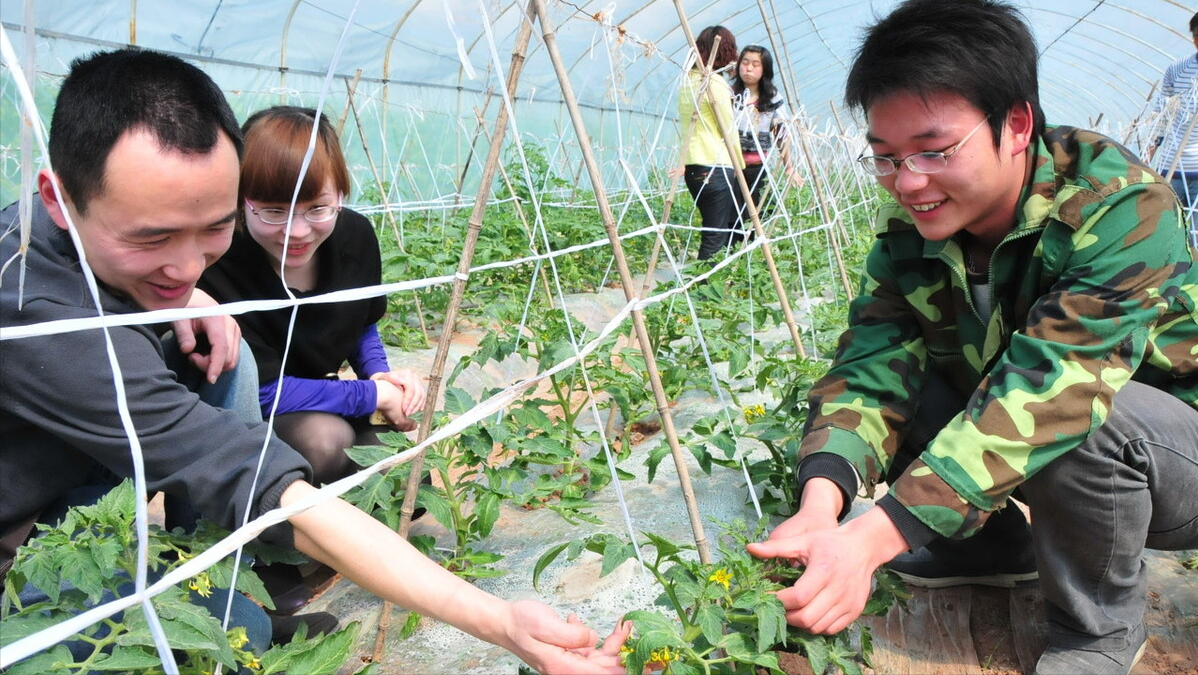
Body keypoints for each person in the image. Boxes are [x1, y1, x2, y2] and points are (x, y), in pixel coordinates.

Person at [0, 48, 629, 674]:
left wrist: (195, 298)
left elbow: (355, 331)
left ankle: (224, 586)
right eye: (151, 238)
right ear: (58, 198)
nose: (189, 266)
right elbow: (243, 471)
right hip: (19, 545)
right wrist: (500, 622)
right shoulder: (43, 315)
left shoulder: (60, 235)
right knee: (204, 634)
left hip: (69, 476)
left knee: (227, 358)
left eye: (213, 229)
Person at [745, 2, 1198, 675]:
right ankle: (985, 551)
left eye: (934, 150)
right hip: (1061, 446)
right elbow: (870, 367)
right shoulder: (913, 233)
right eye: (887, 157)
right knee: (914, 378)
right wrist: (823, 504)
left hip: (1167, 461)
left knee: (1085, 415)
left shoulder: (1119, 205)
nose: (909, 182)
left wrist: (872, 536)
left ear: (1015, 125)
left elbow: (1055, 386)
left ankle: (1096, 626)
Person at [199, 106, 426, 486]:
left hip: (324, 392)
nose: (297, 231)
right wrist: (373, 395)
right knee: (326, 443)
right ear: (242, 201)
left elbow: (362, 322)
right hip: (252, 410)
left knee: (399, 474)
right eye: (273, 211)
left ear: (340, 193)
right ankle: (279, 528)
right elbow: (262, 391)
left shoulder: (354, 237)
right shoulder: (220, 262)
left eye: (318, 208)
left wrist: (379, 375)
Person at [678, 25, 744, 260]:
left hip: (694, 166)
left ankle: (711, 284)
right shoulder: (714, 84)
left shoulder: (687, 82)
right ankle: (707, 290)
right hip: (716, 165)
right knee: (715, 234)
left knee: (711, 228)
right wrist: (740, 165)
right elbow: (727, 129)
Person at [730, 44, 796, 227]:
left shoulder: (772, 98)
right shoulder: (729, 94)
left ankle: (750, 248)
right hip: (729, 166)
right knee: (731, 216)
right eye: (745, 62)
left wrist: (788, 165)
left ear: (764, 69)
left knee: (756, 214)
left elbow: (781, 132)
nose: (748, 68)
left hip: (756, 167)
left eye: (755, 64)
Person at [1151, 11, 1198, 241]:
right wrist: (1151, 149)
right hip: (1174, 165)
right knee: (1169, 230)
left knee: (1195, 235)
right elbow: (1162, 112)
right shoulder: (1177, 69)